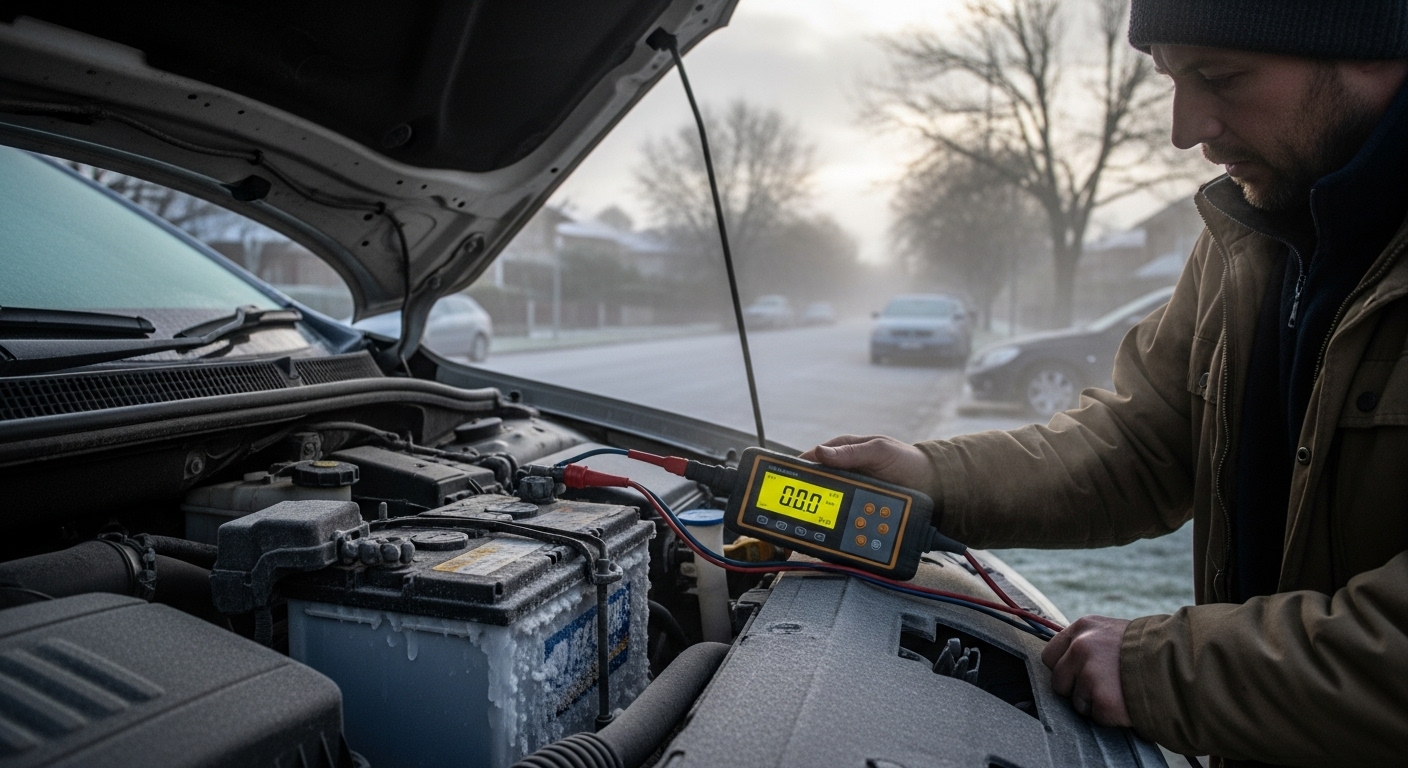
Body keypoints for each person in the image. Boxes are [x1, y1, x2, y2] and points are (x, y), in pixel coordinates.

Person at [803, 2, 1408, 766]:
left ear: (1368, 44)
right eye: (1171, 79)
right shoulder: (1254, 230)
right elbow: (1141, 441)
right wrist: (932, 478)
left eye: (1221, 77)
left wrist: (1170, 674)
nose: (1186, 128)